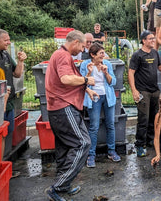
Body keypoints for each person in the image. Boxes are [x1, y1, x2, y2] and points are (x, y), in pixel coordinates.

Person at [44, 30, 95, 201]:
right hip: (64, 107)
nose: (82, 50)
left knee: (65, 147)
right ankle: (58, 187)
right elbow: (66, 79)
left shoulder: (61, 55)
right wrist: (87, 81)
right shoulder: (63, 56)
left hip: (58, 108)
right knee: (82, 143)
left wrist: (86, 89)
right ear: (74, 42)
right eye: (82, 46)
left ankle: (62, 185)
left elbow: (67, 81)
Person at [129, 30, 161, 157]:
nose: (153, 40)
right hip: (143, 91)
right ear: (143, 41)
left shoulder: (155, 53)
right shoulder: (137, 55)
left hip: (155, 90)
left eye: (153, 38)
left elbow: (160, 66)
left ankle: (151, 140)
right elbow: (131, 73)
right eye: (150, 38)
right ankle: (140, 145)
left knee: (155, 117)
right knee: (143, 119)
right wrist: (134, 91)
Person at [80, 43, 121, 167]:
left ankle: (111, 151)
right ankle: (91, 155)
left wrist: (106, 73)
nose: (104, 55)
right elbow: (82, 83)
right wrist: (88, 72)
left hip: (107, 97)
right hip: (93, 97)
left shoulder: (107, 64)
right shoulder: (85, 64)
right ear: (93, 55)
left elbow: (113, 82)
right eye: (101, 53)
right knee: (94, 126)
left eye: (104, 53)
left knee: (110, 124)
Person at [0, 28, 26, 154]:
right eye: (6, 40)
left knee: (8, 132)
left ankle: (6, 162)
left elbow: (17, 74)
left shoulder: (5, 55)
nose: (8, 42)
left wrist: (20, 61)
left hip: (9, 101)